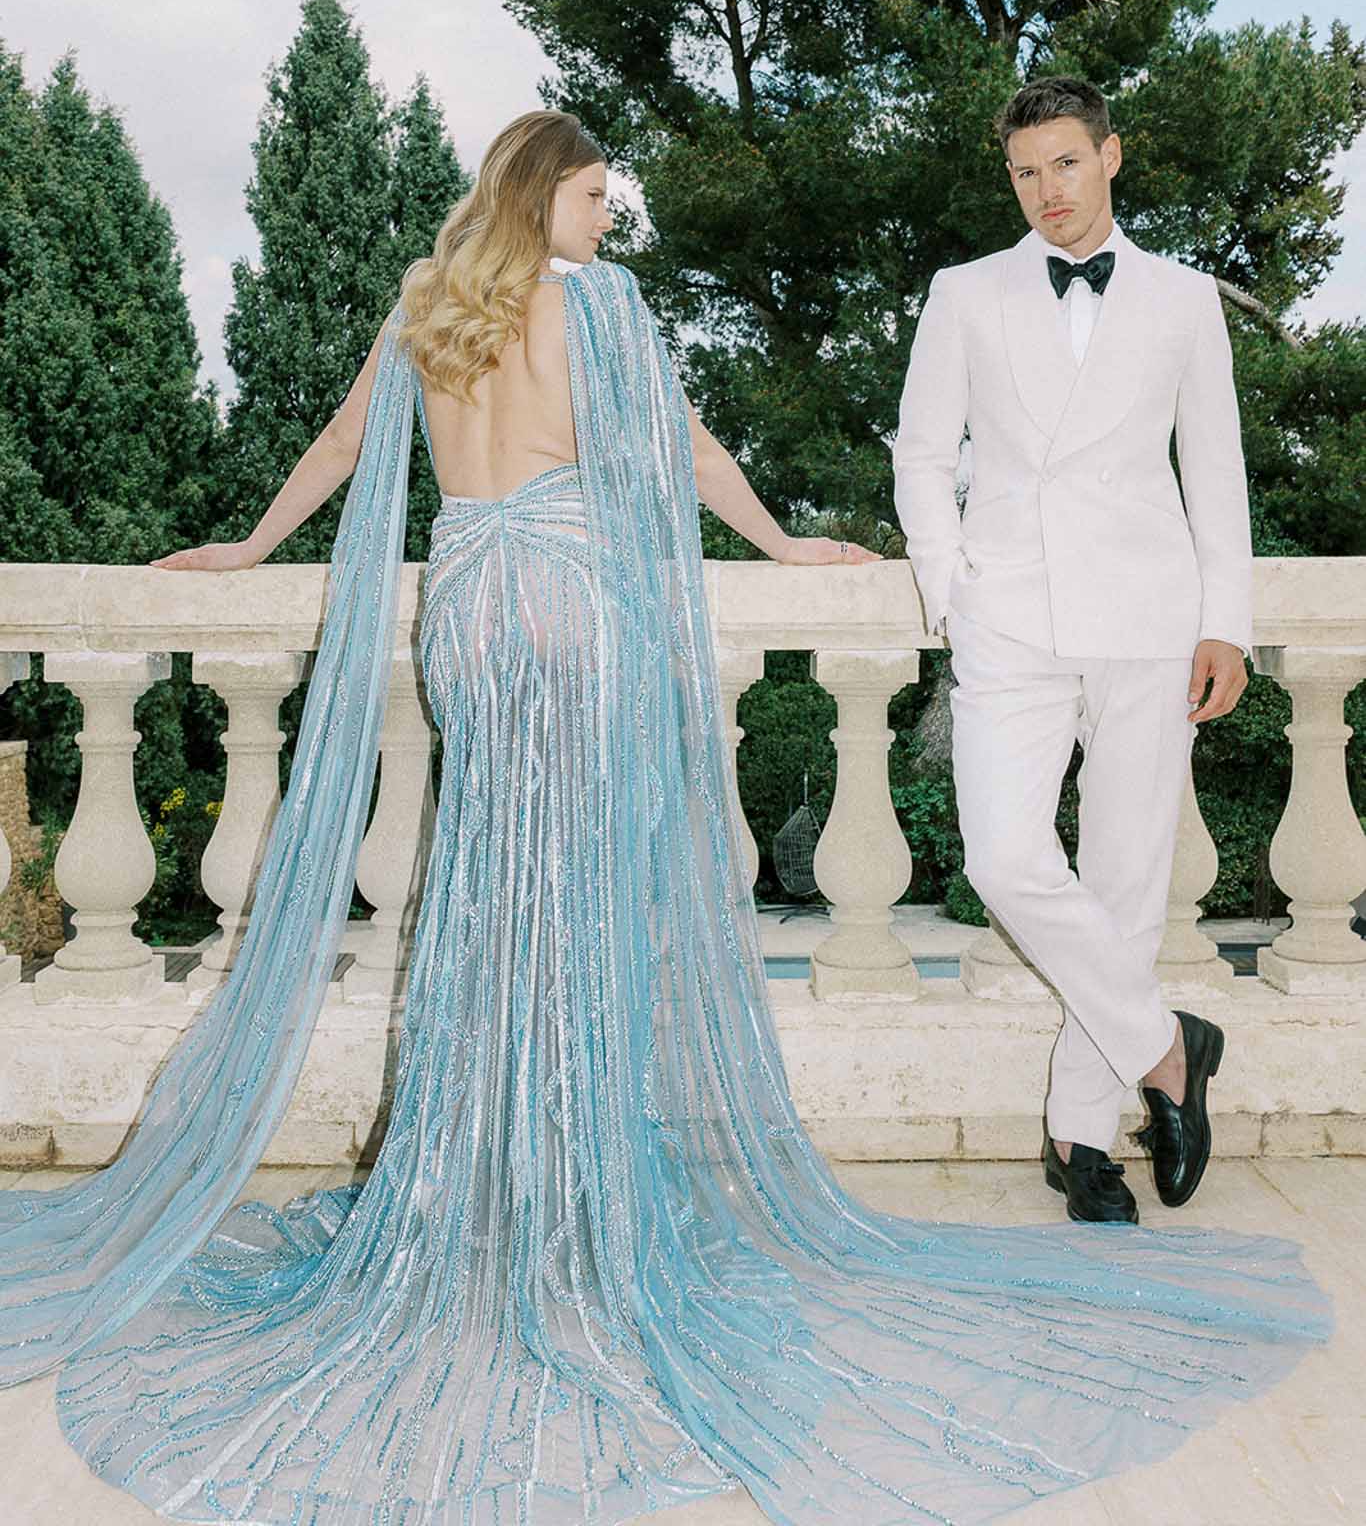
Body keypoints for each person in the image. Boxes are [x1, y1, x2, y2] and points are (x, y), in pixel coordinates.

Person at [1, 109, 1329, 1525]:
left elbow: (339, 448)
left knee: (490, 896)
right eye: (593, 194)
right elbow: (686, 455)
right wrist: (779, 541)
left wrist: (249, 546)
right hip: (572, 614)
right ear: (545, 193)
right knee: (578, 903)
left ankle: (480, 1193)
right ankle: (570, 1200)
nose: (607, 217)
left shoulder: (431, 306)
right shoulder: (603, 309)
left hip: (471, 614)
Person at [893, 74, 1252, 1226]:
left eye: (1064, 163)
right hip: (1011, 618)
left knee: (1125, 877)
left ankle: (1080, 1133)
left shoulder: (1185, 299)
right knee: (1003, 856)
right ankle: (1166, 1049)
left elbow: (1216, 471)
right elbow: (919, 452)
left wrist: (1225, 620)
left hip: (1150, 618)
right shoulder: (964, 291)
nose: (1046, 190)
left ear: (1111, 156)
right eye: (1024, 171)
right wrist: (951, 588)